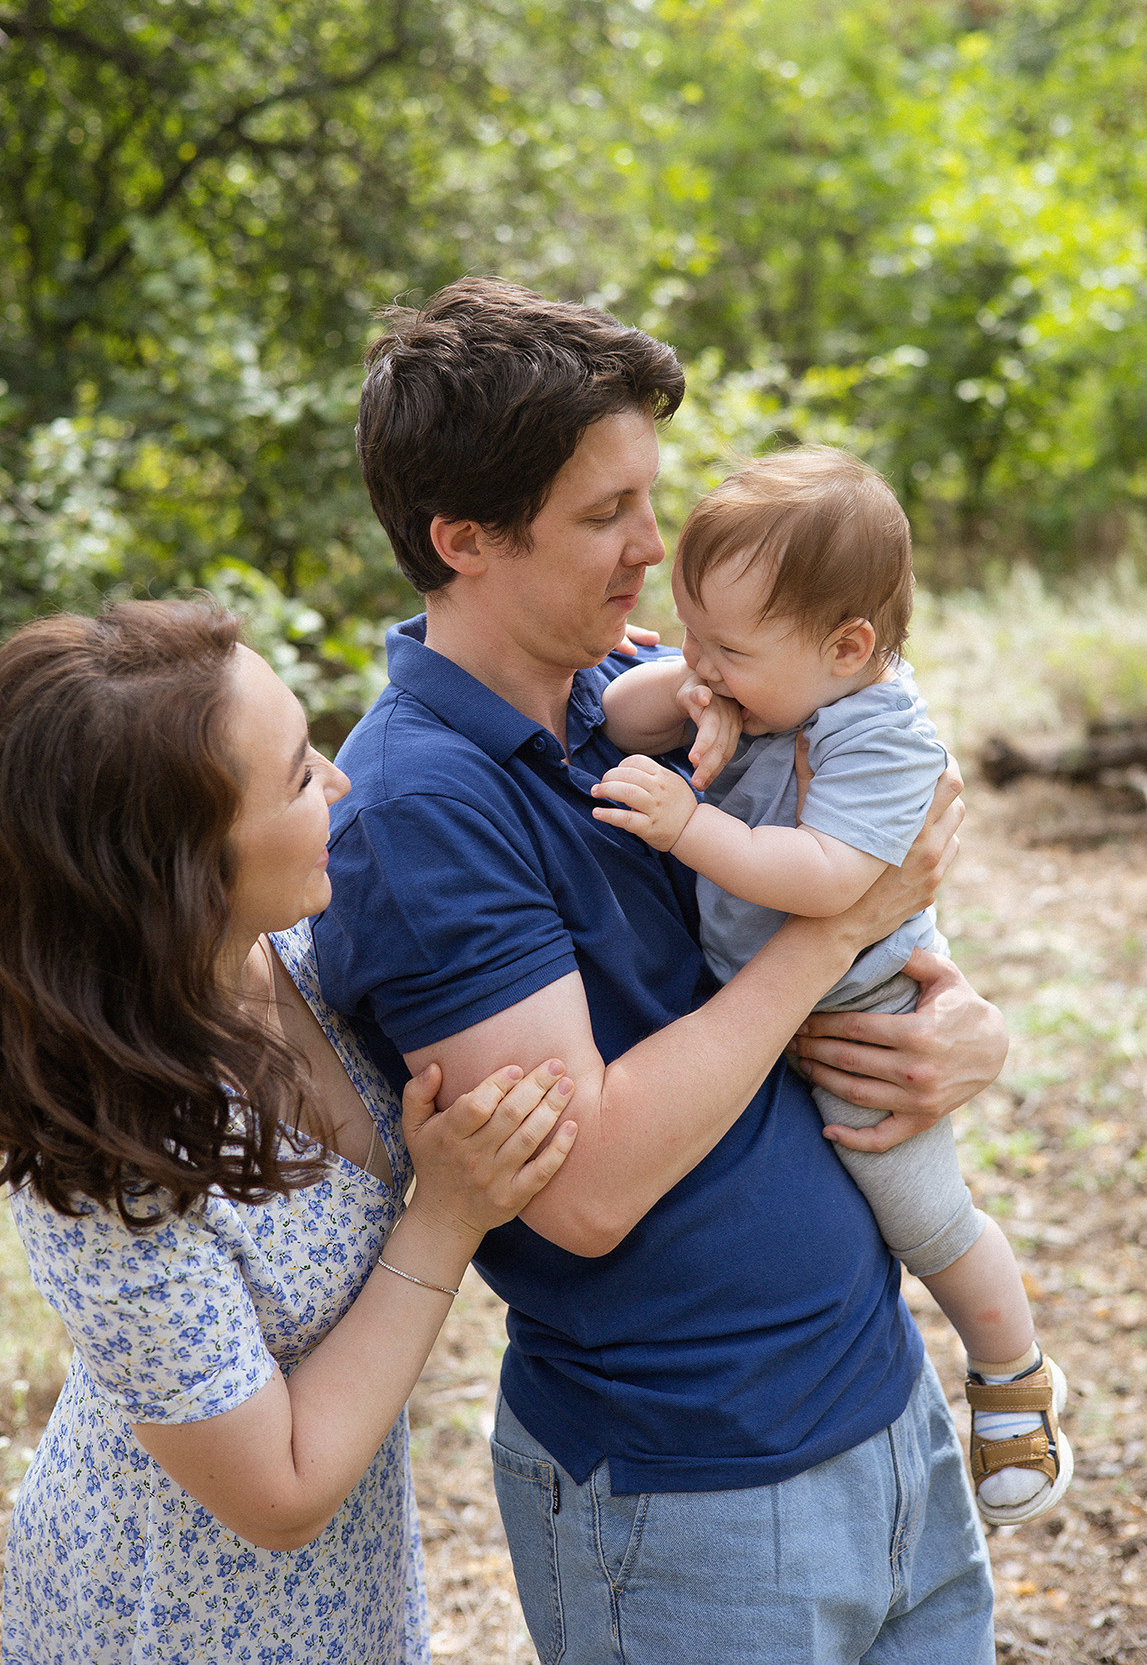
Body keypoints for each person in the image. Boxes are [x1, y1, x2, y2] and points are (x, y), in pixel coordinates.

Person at [314, 276, 1007, 1665]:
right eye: (600, 515)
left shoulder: (628, 687)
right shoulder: (420, 808)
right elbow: (580, 1185)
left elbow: (827, 915)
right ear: (462, 540)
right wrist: (825, 936)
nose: (650, 545)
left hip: (878, 1409)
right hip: (693, 1494)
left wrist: (952, 1021)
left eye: (647, 495)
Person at [0, 598, 578, 1665]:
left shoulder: (302, 943)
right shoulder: (103, 1161)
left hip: (345, 1589)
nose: (343, 783)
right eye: (302, 774)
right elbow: (282, 1491)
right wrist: (444, 1214)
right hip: (172, 1616)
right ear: (179, 866)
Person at [595, 445, 1073, 1527]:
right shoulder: (760, 687)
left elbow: (830, 881)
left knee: (919, 1211)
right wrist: (692, 683)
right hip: (765, 1004)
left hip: (863, 1010)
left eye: (729, 645)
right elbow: (622, 718)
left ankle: (1012, 1373)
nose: (703, 660)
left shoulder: (884, 733)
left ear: (847, 645)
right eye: (691, 629)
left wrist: (690, 824)